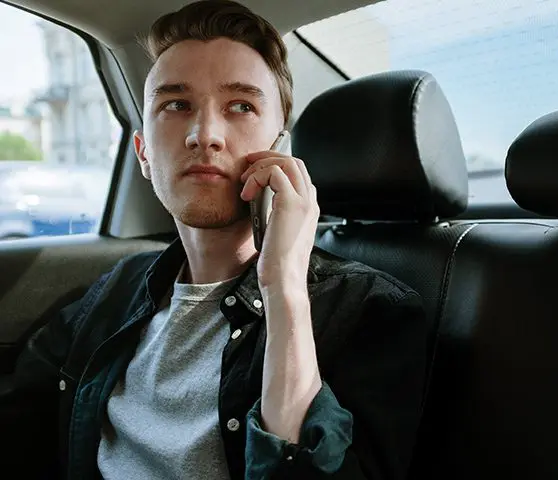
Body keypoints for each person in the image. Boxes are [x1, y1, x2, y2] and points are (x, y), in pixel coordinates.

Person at [0, 1, 428, 479]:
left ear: (281, 149)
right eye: (176, 105)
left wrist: (284, 287)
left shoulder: (367, 311)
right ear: (143, 153)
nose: (205, 135)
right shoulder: (115, 292)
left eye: (241, 106)